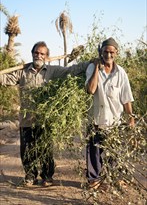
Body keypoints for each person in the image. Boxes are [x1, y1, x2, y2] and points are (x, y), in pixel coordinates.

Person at [0, 41, 90, 187]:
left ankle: (47, 176)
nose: (38, 55)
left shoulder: (53, 71)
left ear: (47, 56)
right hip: (26, 119)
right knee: (27, 149)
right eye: (36, 52)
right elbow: (5, 79)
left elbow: (71, 71)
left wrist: (89, 64)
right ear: (32, 54)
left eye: (42, 53)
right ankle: (30, 176)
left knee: (45, 149)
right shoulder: (22, 72)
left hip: (44, 119)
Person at [85, 37, 135, 190]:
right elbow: (91, 90)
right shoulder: (92, 68)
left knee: (115, 152)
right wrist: (95, 69)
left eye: (111, 52)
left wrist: (130, 117)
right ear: (100, 52)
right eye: (105, 51)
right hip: (95, 119)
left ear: (116, 53)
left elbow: (126, 97)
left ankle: (116, 178)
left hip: (115, 121)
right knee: (94, 153)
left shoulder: (121, 73)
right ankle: (94, 180)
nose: (108, 55)